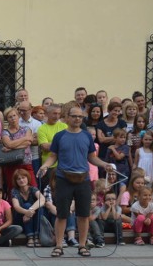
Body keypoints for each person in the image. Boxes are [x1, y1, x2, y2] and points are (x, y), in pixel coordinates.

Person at [38, 106, 116, 257]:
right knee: (62, 214)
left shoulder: (86, 136)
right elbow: (53, 156)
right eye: (74, 116)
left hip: (83, 179)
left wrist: (104, 165)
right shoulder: (60, 136)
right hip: (63, 178)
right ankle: (59, 246)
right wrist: (45, 166)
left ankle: (82, 245)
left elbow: (91, 157)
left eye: (80, 117)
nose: (77, 119)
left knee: (83, 214)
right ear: (67, 117)